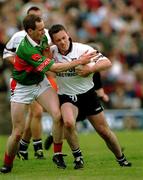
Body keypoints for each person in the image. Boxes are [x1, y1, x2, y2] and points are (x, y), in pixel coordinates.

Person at [0, 14, 96, 174]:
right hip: (22, 87)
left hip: (40, 83)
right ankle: (7, 163)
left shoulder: (42, 37)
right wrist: (79, 61)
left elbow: (48, 51)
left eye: (43, 27)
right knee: (17, 132)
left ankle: (57, 154)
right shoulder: (25, 48)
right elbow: (54, 68)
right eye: (39, 29)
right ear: (29, 31)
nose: (43, 32)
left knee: (58, 116)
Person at [46, 24, 132, 169]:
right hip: (67, 96)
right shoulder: (51, 52)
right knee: (68, 123)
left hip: (88, 95)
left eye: (64, 38)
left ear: (68, 35)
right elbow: (44, 63)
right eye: (58, 40)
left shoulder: (83, 49)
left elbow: (107, 63)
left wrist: (90, 69)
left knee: (104, 131)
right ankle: (78, 157)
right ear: (53, 42)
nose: (62, 42)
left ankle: (121, 158)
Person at [3, 6, 54, 160]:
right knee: (30, 117)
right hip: (23, 79)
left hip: (38, 77)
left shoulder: (45, 34)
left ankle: (31, 146)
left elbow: (48, 54)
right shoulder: (18, 37)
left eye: (40, 17)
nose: (39, 23)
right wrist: (22, 63)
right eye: (34, 17)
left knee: (38, 113)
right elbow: (6, 54)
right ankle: (26, 146)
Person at [44, 71, 109, 151]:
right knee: (70, 124)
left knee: (71, 124)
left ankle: (53, 135)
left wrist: (102, 95)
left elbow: (98, 86)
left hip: (86, 98)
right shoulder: (82, 68)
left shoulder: (93, 70)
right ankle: (57, 138)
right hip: (74, 99)